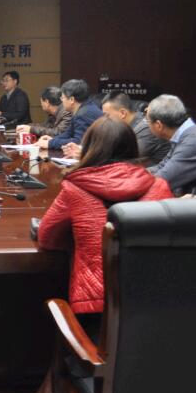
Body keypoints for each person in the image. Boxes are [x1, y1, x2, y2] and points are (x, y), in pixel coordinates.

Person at [38, 117, 173, 313]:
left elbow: (47, 238)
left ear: (89, 148)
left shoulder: (74, 189)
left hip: (94, 308)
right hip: (156, 302)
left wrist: (79, 240)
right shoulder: (159, 186)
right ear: (133, 147)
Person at [144, 94, 196, 196]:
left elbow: (160, 181)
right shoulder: (184, 135)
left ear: (158, 125)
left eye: (147, 121)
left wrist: (134, 179)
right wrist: (134, 174)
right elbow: (161, 166)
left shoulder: (194, 142)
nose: (146, 124)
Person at [101, 91, 170, 166]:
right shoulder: (125, 125)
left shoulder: (146, 128)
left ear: (123, 113)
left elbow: (126, 159)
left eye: (107, 115)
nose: (105, 119)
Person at [37, 79, 102, 150]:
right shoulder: (84, 108)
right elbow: (68, 133)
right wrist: (52, 139)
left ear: (71, 100)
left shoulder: (83, 114)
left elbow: (78, 142)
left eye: (63, 97)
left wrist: (50, 144)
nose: (61, 100)